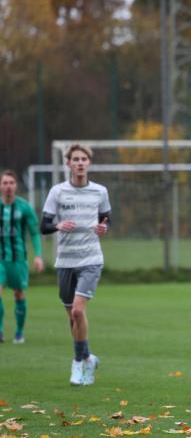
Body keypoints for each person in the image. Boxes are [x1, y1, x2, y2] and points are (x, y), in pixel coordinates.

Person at [40, 144, 111, 386]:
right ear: (69, 164)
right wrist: (58, 226)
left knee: (79, 311)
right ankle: (89, 357)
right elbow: (44, 225)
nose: (80, 163)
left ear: (89, 164)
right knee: (72, 317)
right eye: (75, 159)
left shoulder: (99, 191)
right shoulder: (57, 192)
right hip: (65, 261)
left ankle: (78, 363)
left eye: (84, 159)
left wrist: (104, 227)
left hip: (91, 258)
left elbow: (106, 218)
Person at [0, 170, 44, 344]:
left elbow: (34, 233)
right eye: (5, 183)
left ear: (16, 186)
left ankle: (19, 332)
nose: (8, 186)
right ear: (1, 186)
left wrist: (38, 256)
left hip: (18, 259)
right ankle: (1, 331)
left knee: (18, 294)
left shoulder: (24, 207)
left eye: (11, 182)